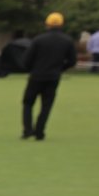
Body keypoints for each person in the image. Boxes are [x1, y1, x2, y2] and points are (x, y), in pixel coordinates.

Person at [21, 12, 77, 141]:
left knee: (28, 102)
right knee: (46, 105)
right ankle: (39, 132)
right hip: (53, 77)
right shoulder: (67, 41)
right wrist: (60, 68)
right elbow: (72, 61)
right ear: (61, 24)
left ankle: (27, 130)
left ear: (47, 24)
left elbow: (26, 60)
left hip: (36, 76)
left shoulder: (38, 39)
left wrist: (31, 69)